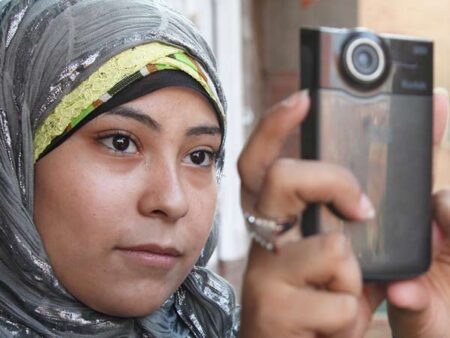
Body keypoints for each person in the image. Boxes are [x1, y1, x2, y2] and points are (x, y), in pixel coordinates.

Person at [0, 1, 449, 338]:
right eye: (121, 143)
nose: (172, 201)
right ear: (15, 154)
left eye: (199, 155)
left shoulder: (228, 323)